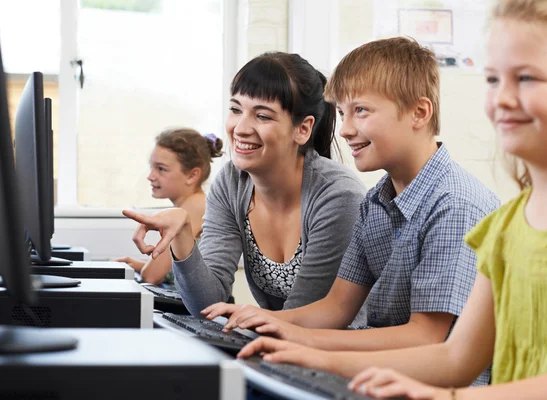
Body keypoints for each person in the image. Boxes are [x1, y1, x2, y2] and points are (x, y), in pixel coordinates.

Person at [239, 0, 547, 398]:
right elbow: (455, 356)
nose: (503, 99)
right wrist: (309, 355)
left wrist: (445, 397)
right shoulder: (506, 227)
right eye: (494, 80)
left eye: (527, 78)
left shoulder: (461, 206)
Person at [210, 37, 500, 384]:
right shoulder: (377, 200)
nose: (345, 129)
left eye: (360, 111)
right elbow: (336, 307)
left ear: (419, 113)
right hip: (385, 379)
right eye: (343, 113)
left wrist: (307, 344)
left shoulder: (453, 205)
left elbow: (426, 336)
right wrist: (258, 319)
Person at [123, 52, 366, 315]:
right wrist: (182, 235)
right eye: (236, 110)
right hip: (277, 344)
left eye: (262, 116)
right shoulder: (231, 183)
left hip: (339, 348)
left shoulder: (338, 195)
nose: (240, 128)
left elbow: (306, 313)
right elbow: (205, 304)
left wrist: (245, 318)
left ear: (303, 129)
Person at [116, 128, 222, 286]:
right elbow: (177, 270)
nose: (150, 176)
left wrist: (146, 270)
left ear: (192, 175)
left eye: (161, 169)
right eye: (151, 167)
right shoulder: (193, 203)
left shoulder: (196, 205)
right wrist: (137, 266)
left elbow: (151, 276)